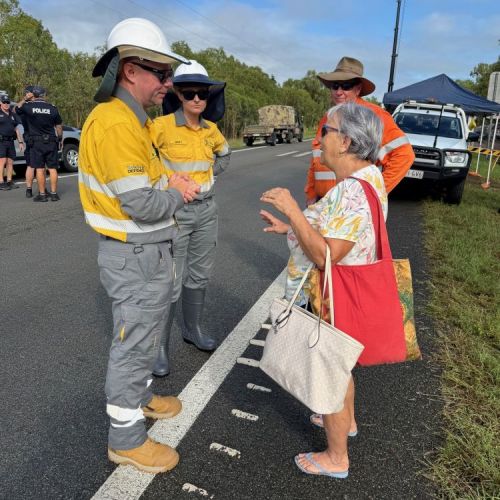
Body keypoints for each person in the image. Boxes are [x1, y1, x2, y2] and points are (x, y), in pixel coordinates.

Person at [78, 17, 198, 473]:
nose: (169, 84)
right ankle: (125, 439)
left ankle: (143, 398)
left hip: (148, 253)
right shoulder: (114, 123)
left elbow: (147, 178)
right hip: (134, 254)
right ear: (130, 70)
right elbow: (143, 204)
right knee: (132, 345)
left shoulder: (135, 121)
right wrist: (178, 193)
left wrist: (170, 179)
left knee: (145, 336)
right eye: (162, 74)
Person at [261, 101, 386, 478]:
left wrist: (293, 212)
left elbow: (327, 254)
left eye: (326, 132)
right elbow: (338, 228)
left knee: (330, 369)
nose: (320, 139)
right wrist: (291, 229)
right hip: (356, 289)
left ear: (345, 141)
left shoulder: (350, 192)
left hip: (338, 292)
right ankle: (345, 423)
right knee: (341, 362)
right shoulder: (370, 178)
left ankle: (336, 457)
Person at [151, 60, 230, 377]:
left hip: (206, 211)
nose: (197, 99)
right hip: (176, 213)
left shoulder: (212, 130)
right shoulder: (160, 127)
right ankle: (158, 346)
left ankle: (192, 329)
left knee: (198, 276)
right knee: (169, 280)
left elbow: (224, 156)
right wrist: (166, 185)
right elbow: (146, 163)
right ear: (178, 95)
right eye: (190, 93)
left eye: (202, 93)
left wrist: (208, 178)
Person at [305, 56, 414, 205]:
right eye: (335, 86)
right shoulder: (328, 118)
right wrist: (311, 193)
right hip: (322, 202)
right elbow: (316, 158)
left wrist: (375, 193)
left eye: (346, 86)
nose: (339, 91)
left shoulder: (374, 116)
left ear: (358, 89)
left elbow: (404, 155)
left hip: (352, 205)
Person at [15, 86, 63, 202]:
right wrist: (60, 138)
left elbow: (17, 109)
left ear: (33, 95)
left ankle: (42, 195)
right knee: (52, 168)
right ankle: (54, 194)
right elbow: (59, 126)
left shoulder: (28, 106)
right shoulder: (53, 108)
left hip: (37, 143)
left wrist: (25, 99)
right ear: (44, 95)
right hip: (51, 141)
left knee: (40, 169)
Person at [0, 94, 24, 190]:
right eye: (4, 102)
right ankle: (1, 182)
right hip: (1, 141)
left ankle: (9, 181)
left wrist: (21, 142)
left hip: (10, 141)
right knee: (2, 161)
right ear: (0, 103)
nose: (6, 104)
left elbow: (16, 129)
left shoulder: (12, 114)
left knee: (10, 161)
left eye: (7, 102)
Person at [18, 86, 36, 198]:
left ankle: (36, 189)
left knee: (36, 165)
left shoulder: (25, 106)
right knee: (32, 165)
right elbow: (15, 109)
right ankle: (29, 189)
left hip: (31, 137)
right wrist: (25, 98)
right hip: (31, 137)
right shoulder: (25, 106)